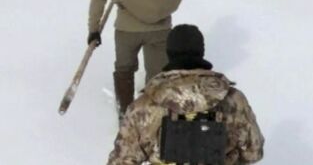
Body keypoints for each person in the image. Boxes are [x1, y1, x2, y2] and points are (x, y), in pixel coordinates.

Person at [107, 24, 265, 165]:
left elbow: (121, 161)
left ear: (169, 53)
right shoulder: (233, 100)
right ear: (201, 52)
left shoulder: (144, 106)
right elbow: (253, 152)